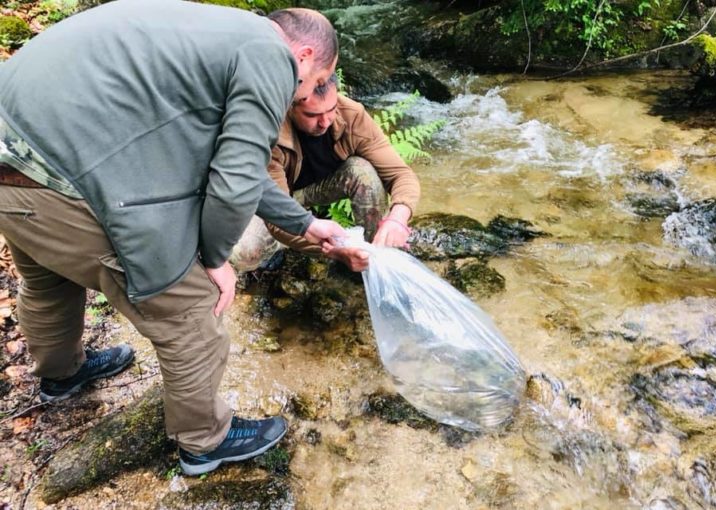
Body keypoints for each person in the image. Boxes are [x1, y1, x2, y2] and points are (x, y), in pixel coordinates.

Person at [0, 1, 345, 476]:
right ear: (304, 55)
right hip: (56, 173)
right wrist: (213, 257)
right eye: (311, 83)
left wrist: (306, 225)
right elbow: (236, 180)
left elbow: (227, 164)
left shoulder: (208, 36)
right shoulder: (270, 56)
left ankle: (62, 375)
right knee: (188, 306)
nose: (300, 95)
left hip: (16, 159)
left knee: (49, 278)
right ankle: (205, 441)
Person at [230, 74, 420, 273]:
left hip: (314, 191)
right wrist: (334, 250)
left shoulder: (352, 115)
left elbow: (401, 175)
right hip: (278, 200)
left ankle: (371, 257)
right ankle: (287, 249)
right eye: (312, 115)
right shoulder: (270, 132)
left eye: (331, 110)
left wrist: (397, 219)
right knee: (245, 253)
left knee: (363, 173)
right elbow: (276, 215)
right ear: (290, 107)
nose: (325, 121)